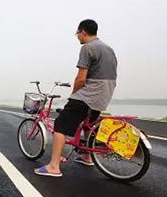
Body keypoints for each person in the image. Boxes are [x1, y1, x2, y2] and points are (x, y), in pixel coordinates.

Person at [35, 19, 117, 177]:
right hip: (104, 94)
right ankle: (87, 157)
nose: (77, 37)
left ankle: (54, 166)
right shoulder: (109, 49)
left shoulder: (88, 48)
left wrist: (74, 95)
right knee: (88, 124)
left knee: (61, 123)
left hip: (90, 94)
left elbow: (81, 78)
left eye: (77, 33)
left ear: (83, 32)